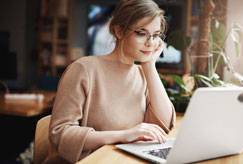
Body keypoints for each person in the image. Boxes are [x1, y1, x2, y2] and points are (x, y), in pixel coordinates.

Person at [44, 0, 176, 163]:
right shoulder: (84, 69)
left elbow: (164, 126)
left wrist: (149, 65)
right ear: (119, 31)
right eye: (141, 33)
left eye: (155, 35)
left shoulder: (143, 73)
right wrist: (124, 136)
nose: (150, 43)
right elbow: (60, 133)